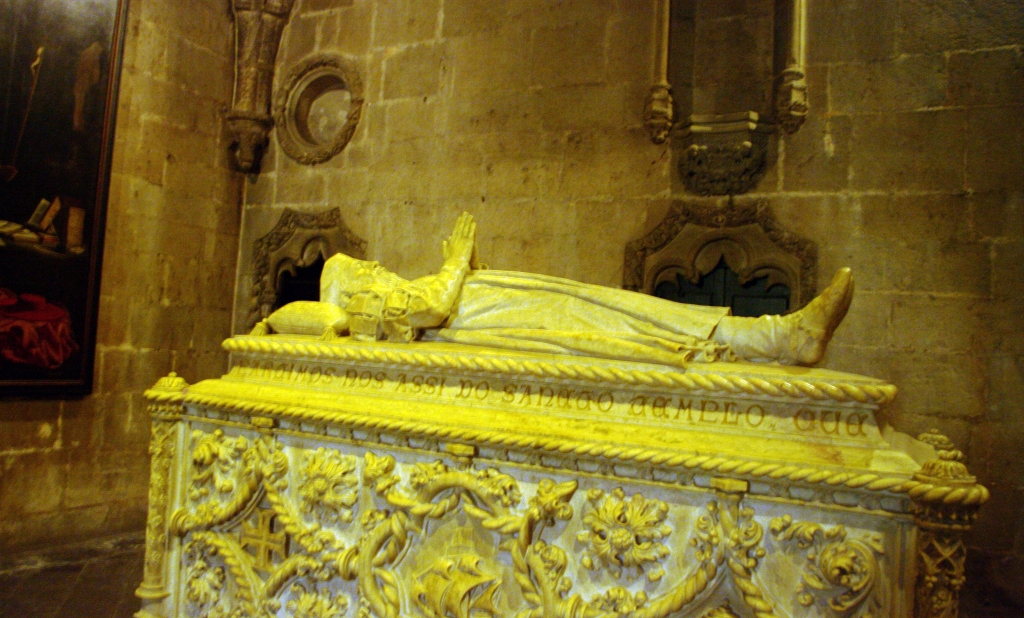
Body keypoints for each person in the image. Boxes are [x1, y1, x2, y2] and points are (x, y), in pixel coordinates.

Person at [257, 213, 853, 367]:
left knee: (621, 310)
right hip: (486, 316)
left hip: (493, 300)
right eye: (365, 267)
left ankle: (773, 335)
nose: (376, 266)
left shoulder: (379, 292)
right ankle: (776, 338)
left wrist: (465, 267)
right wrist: (457, 262)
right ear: (351, 285)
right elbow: (433, 308)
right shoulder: (362, 304)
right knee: (621, 325)